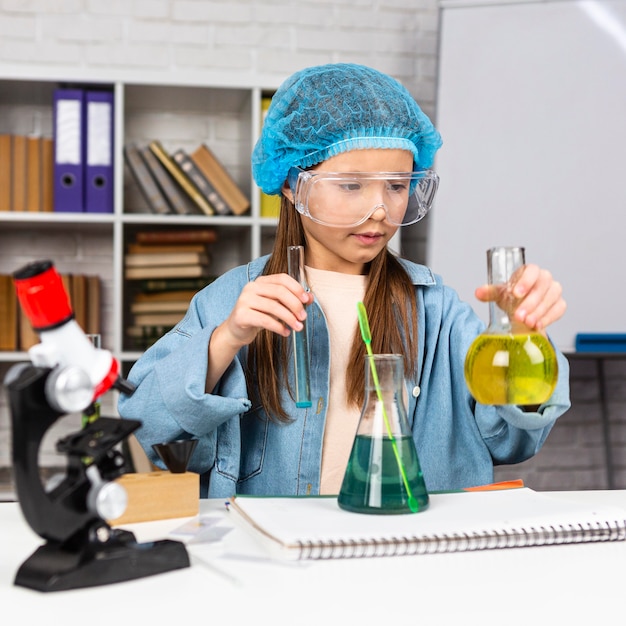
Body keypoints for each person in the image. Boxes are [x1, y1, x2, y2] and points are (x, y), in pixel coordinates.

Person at [118, 63, 570, 498]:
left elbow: (513, 442)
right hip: (278, 556)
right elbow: (146, 427)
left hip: (408, 553)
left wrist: (526, 340)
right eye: (351, 185)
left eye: (396, 185)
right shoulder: (232, 302)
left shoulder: (437, 311)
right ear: (293, 185)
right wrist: (226, 340)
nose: (379, 210)